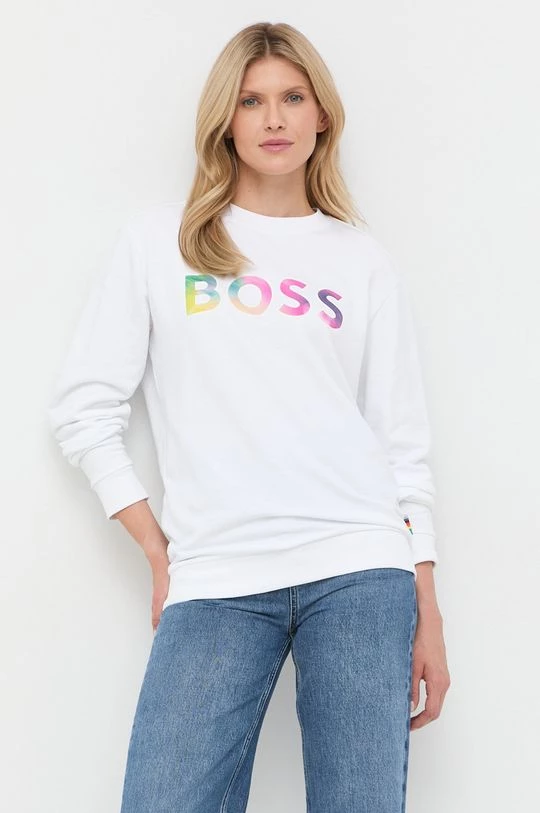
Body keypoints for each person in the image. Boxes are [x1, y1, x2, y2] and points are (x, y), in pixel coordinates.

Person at [47, 20, 450, 813]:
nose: (274, 119)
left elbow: (402, 448)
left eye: (292, 98)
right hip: (217, 574)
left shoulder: (360, 259)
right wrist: (158, 548)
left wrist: (426, 607)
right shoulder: (161, 243)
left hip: (361, 567)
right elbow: (83, 408)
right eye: (251, 100)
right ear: (224, 119)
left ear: (321, 115)